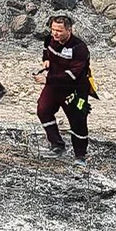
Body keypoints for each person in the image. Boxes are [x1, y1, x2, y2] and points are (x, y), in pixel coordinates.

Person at [34, 14, 96, 168]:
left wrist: (48, 80)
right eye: (53, 29)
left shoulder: (79, 48)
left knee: (78, 121)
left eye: (59, 31)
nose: (55, 34)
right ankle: (57, 145)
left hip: (75, 91)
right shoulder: (50, 39)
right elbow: (46, 50)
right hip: (54, 86)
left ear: (69, 30)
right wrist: (46, 60)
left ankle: (80, 155)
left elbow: (72, 75)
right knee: (43, 110)